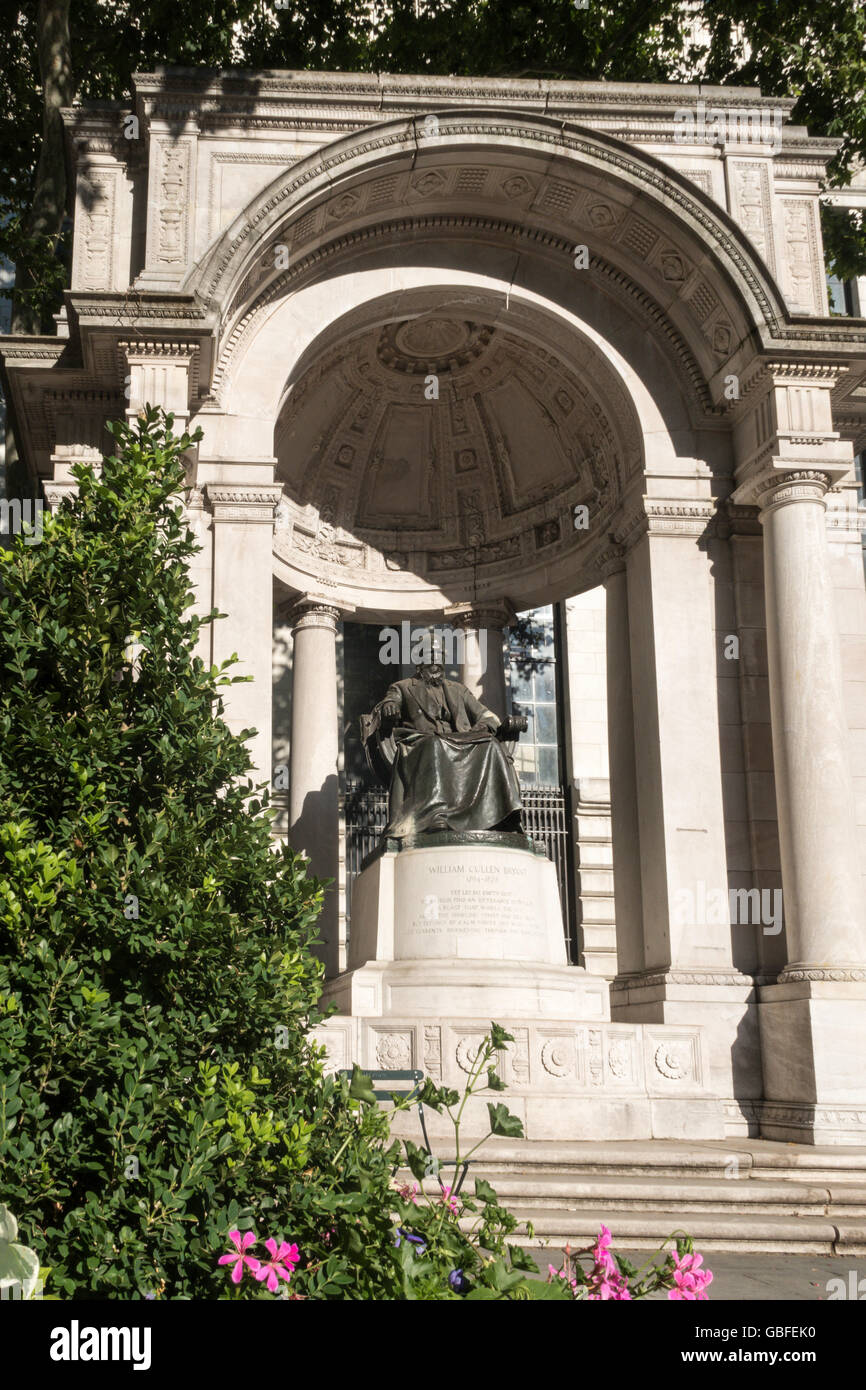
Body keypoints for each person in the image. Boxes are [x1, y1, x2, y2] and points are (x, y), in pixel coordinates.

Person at [361, 638, 527, 839]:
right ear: (418, 660)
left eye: (438, 656)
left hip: (460, 740)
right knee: (435, 744)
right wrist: (389, 708)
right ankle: (435, 814)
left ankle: (503, 815)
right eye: (429, 656)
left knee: (491, 745)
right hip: (421, 743)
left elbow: (485, 714)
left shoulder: (458, 690)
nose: (434, 661)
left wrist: (482, 727)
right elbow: (389, 702)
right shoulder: (403, 687)